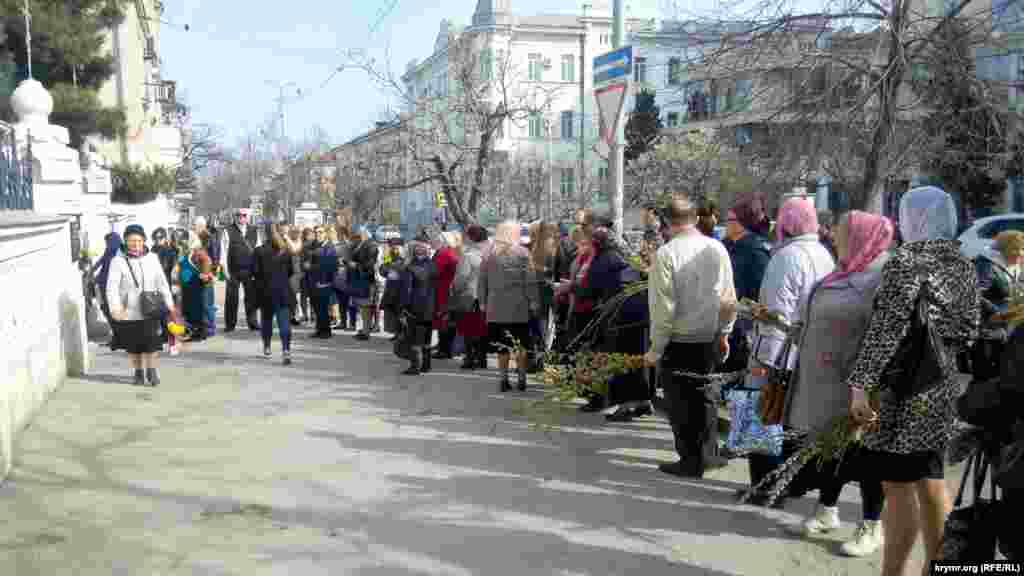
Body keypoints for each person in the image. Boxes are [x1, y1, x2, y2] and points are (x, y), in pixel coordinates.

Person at [846, 186, 979, 576]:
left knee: (899, 487)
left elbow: (887, 329)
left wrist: (860, 385)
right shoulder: (963, 263)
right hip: (943, 386)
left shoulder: (906, 261)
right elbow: (969, 331)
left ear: (912, 219)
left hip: (905, 391)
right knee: (932, 484)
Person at [784, 210, 892, 557]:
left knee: (866, 458)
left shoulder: (882, 278)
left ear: (863, 237)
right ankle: (827, 509)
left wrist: (865, 385)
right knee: (830, 450)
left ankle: (872, 526)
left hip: (860, 387)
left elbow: (881, 337)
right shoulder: (841, 271)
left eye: (844, 233)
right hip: (823, 383)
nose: (835, 236)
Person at [744, 197, 835, 499]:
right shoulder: (824, 253)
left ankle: (765, 485)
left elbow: (775, 314)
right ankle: (792, 482)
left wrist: (761, 362)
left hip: (777, 350)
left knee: (763, 413)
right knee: (792, 420)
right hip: (808, 350)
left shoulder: (785, 257)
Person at [645, 195, 737, 479]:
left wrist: (656, 348)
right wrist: (725, 332)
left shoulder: (667, 254)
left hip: (680, 339)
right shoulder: (717, 248)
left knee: (680, 401)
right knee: (706, 397)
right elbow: (728, 297)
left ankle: (690, 459)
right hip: (708, 336)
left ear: (666, 223)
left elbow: (663, 308)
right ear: (696, 219)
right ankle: (708, 455)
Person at [105, 225, 175, 386]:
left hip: (151, 308)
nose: (135, 244)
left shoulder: (152, 258)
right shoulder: (118, 261)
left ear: (144, 241)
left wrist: (169, 303)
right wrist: (115, 307)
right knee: (134, 346)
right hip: (129, 311)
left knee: (152, 343)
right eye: (131, 240)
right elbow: (112, 287)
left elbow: (162, 282)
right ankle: (138, 372)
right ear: (126, 241)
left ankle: (151, 370)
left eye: (138, 240)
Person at [479, 221, 538, 392]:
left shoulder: (489, 254)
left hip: (495, 305)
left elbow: (482, 280)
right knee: (520, 344)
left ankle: (503, 379)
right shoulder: (523, 253)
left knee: (502, 346)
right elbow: (530, 281)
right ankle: (521, 378)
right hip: (519, 305)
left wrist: (482, 301)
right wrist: (534, 301)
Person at [252, 223, 295, 364]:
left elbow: (255, 272)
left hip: (265, 291)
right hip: (282, 290)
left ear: (264, 234)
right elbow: (290, 272)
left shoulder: (259, 251)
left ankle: (267, 346)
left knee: (267, 321)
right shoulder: (285, 251)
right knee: (284, 322)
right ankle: (286, 350)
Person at [400, 237, 437, 375]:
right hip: (429, 305)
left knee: (414, 337)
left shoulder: (410, 267)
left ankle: (416, 366)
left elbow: (407, 290)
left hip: (414, 306)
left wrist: (404, 307)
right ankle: (426, 365)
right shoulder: (433, 265)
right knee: (426, 336)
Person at [453, 225, 489, 370]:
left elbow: (461, 277)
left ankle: (469, 357)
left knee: (469, 329)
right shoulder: (492, 253)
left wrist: (455, 289)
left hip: (471, 295)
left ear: (471, 238)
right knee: (483, 328)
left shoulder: (469, 255)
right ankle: (482, 358)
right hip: (489, 295)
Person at [223, 210, 259, 332]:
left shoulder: (254, 230)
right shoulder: (228, 230)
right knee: (231, 298)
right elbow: (224, 251)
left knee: (251, 297)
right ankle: (230, 324)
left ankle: (253, 323)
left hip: (249, 270)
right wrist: (225, 270)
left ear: (248, 217)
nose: (241, 218)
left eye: (244, 216)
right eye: (239, 215)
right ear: (236, 217)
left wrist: (258, 269)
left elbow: (258, 250)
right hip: (233, 269)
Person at [431, 231, 462, 358]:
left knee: (443, 320)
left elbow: (435, 271)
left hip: (443, 290)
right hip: (447, 289)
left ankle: (444, 349)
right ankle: (444, 347)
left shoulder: (444, 253)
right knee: (446, 320)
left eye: (437, 239)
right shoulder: (450, 252)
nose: (433, 242)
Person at [348, 227, 379, 340]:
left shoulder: (371, 245)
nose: (357, 237)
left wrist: (356, 265)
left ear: (365, 234)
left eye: (359, 234)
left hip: (367, 278)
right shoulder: (361, 244)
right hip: (360, 278)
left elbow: (370, 263)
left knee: (366, 305)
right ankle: (364, 329)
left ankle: (366, 331)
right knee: (362, 306)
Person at [309, 226, 338, 339]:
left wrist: (312, 267)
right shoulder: (315, 245)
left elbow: (330, 265)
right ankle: (319, 329)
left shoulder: (329, 247)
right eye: (316, 232)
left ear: (325, 233)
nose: (318, 234)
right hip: (314, 281)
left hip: (324, 281)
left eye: (320, 232)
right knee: (317, 307)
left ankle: (326, 331)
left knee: (323, 308)